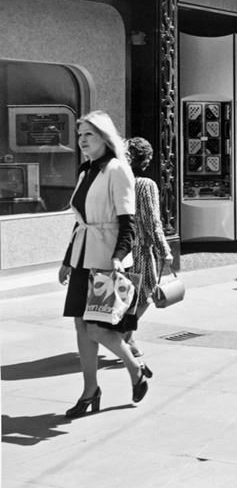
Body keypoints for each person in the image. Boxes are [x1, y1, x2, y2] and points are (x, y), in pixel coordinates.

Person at [59, 111, 148, 418]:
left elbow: (128, 222)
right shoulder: (86, 171)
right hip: (83, 257)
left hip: (107, 259)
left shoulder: (118, 169)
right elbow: (80, 221)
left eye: (89, 135)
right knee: (80, 326)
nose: (82, 140)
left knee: (97, 327)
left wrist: (118, 258)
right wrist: (66, 261)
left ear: (104, 138)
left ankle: (134, 367)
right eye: (80, 135)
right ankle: (90, 390)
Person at [123, 137, 172, 365]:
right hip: (140, 250)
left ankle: (123, 335)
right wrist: (164, 250)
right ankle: (128, 336)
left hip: (117, 250)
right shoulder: (146, 185)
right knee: (145, 294)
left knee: (123, 295)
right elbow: (153, 221)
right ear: (145, 159)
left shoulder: (117, 182)